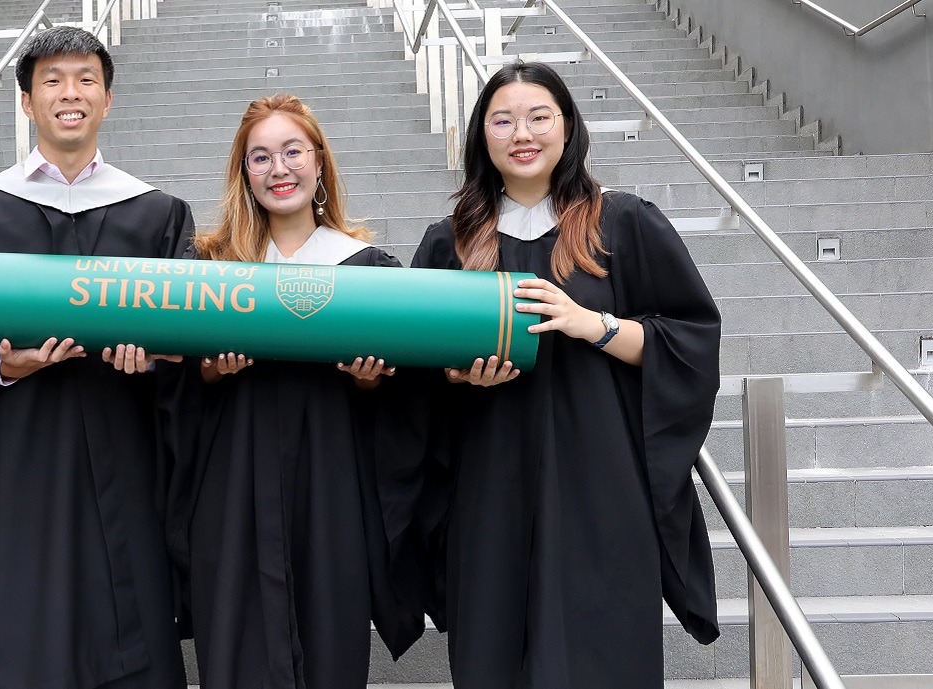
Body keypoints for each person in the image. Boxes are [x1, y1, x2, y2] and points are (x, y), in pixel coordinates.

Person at [404, 61, 723, 686]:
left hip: (598, 491)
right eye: (502, 119)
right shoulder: (450, 245)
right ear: (482, 135)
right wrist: (457, 377)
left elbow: (690, 341)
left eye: (538, 116)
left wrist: (592, 325)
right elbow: (414, 380)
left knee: (599, 654)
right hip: (488, 489)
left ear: (568, 126)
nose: (522, 133)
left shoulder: (622, 224)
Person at [0, 26, 194, 689]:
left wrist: (152, 357)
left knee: (135, 621)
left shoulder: (157, 214)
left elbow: (189, 340)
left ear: (107, 99)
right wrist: (4, 366)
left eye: (86, 80)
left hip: (127, 454)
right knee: (25, 635)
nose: (70, 93)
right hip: (18, 461)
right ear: (25, 100)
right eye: (52, 80)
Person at [168, 93, 422, 689]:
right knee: (234, 643)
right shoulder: (206, 268)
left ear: (319, 163)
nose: (278, 169)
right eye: (260, 157)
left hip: (330, 483)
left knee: (328, 639)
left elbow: (403, 400)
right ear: (243, 173)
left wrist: (369, 382)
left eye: (292, 152)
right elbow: (173, 388)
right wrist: (209, 371)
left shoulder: (369, 270)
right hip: (231, 486)